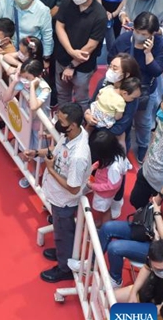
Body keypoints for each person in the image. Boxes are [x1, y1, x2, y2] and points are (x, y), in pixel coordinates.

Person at [24, 103, 91, 283]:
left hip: (64, 200)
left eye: (61, 121)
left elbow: (74, 188)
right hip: (56, 195)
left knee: (63, 233)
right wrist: (37, 152)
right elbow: (57, 150)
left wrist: (51, 170)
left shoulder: (78, 156)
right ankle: (63, 253)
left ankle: (64, 268)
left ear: (74, 124)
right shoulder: (70, 134)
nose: (58, 124)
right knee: (62, 232)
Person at [87, 53, 142, 215]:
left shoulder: (130, 95)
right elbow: (93, 103)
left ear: (126, 75)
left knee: (117, 172)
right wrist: (89, 115)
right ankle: (95, 187)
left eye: (115, 68)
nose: (110, 70)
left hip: (115, 141)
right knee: (97, 165)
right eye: (110, 66)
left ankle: (117, 198)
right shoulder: (104, 83)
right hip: (98, 136)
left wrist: (101, 128)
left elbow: (121, 126)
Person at [109, 12, 163, 165]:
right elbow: (111, 58)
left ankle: (143, 146)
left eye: (143, 34)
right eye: (137, 31)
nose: (139, 35)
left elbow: (157, 71)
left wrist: (147, 53)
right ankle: (120, 148)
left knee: (143, 122)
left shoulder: (159, 44)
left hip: (145, 91)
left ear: (152, 34)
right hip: (123, 89)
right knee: (121, 118)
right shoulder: (124, 40)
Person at [55, 0, 108, 111]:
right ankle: (62, 122)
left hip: (83, 66)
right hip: (62, 59)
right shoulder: (68, 1)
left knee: (81, 99)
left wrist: (72, 65)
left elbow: (91, 46)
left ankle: (81, 127)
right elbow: (60, 25)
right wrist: (70, 51)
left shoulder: (100, 15)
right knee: (62, 95)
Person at [11, 60, 54, 188]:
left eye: (28, 78)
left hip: (40, 128)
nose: (25, 80)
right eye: (24, 77)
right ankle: (34, 171)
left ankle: (39, 174)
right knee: (29, 150)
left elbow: (34, 105)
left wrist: (33, 86)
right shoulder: (25, 83)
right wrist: (18, 80)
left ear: (37, 76)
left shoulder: (45, 88)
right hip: (27, 122)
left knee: (39, 154)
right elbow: (8, 96)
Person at [97, 218, 163, 290]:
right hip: (147, 227)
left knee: (114, 248)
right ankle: (92, 264)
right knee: (107, 227)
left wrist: (157, 215)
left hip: (157, 249)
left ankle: (115, 280)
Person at [89, 131, 134, 227]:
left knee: (104, 210)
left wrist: (93, 186)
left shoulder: (114, 168)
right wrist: (94, 166)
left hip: (104, 194)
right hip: (103, 189)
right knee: (105, 208)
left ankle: (104, 226)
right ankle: (103, 222)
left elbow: (112, 185)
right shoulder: (115, 155)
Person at [130, 100, 163, 210]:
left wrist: (160, 196)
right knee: (136, 200)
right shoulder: (161, 115)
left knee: (152, 217)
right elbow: (156, 134)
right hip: (147, 170)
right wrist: (148, 154)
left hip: (159, 184)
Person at [114, 238, 163, 303]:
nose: (160, 271)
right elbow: (146, 268)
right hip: (148, 290)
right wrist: (133, 293)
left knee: (120, 311)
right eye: (156, 268)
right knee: (112, 297)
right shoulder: (153, 255)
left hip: (158, 305)